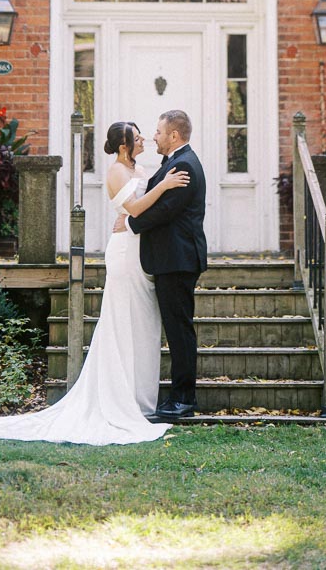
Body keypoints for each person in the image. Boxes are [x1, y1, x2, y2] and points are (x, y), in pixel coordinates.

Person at [0, 120, 190, 445]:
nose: (144, 137)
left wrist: (161, 189)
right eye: (136, 136)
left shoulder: (142, 167)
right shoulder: (116, 171)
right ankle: (120, 400)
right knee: (121, 323)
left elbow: (150, 209)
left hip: (143, 254)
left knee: (144, 324)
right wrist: (163, 187)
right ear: (123, 145)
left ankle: (141, 400)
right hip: (124, 251)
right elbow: (132, 208)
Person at [127, 108, 207, 420]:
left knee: (179, 331)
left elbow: (167, 210)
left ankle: (184, 399)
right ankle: (179, 397)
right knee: (176, 329)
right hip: (171, 259)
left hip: (178, 260)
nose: (154, 137)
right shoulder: (176, 162)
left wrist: (131, 224)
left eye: (159, 132)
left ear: (174, 135)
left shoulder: (185, 164)